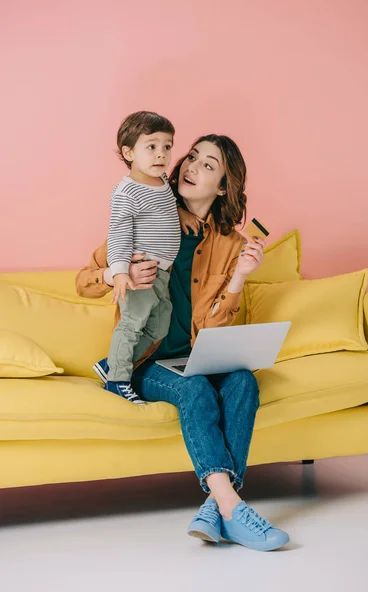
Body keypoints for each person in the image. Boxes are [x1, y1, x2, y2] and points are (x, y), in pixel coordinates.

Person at [76, 134, 290, 552]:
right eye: (191, 156)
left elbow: (211, 324)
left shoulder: (230, 244)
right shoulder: (147, 215)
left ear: (224, 187)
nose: (191, 167)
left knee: (243, 381)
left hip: (193, 355)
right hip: (146, 360)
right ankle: (233, 506)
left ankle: (214, 507)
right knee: (194, 389)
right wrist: (115, 276)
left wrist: (239, 279)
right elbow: (84, 282)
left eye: (208, 165)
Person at [102, 111, 201, 404]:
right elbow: (119, 232)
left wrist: (180, 211)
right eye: (152, 146)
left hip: (162, 274)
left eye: (167, 146)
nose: (162, 154)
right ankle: (117, 380)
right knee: (132, 324)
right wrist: (120, 271)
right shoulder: (127, 192)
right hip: (141, 274)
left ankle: (113, 363)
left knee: (159, 325)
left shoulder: (160, 184)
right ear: (128, 152)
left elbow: (165, 206)